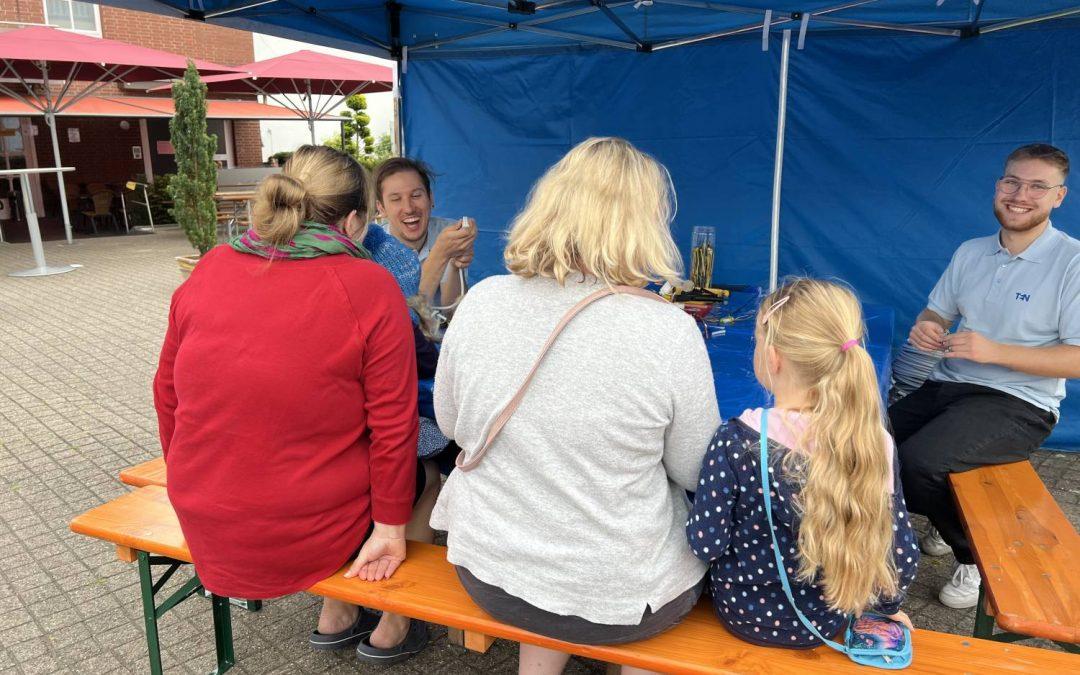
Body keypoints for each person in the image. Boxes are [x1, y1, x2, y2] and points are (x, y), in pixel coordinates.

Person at [431, 137, 719, 675]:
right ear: (643, 223)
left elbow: (451, 425)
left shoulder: (484, 298)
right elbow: (696, 469)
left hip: (491, 570)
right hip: (617, 594)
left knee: (563, 573)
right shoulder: (667, 329)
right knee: (646, 577)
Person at [153, 145, 436, 665]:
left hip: (203, 514)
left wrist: (189, 476)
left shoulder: (212, 265)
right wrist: (390, 531)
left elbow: (166, 395)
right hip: (304, 531)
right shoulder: (369, 285)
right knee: (430, 475)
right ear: (355, 222)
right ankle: (388, 617)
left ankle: (337, 613)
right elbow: (394, 428)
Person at [889, 143, 1080, 609]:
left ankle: (974, 556)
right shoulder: (971, 251)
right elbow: (937, 310)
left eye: (1038, 186)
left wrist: (996, 353)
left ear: (1059, 197)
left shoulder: (1073, 262)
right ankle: (942, 512)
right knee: (863, 445)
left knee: (919, 464)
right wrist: (928, 326)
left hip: (1019, 402)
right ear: (998, 187)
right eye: (1012, 181)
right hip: (947, 385)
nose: (1021, 194)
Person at [687, 279, 918, 647]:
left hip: (742, 613)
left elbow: (706, 544)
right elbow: (897, 554)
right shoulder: (874, 443)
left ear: (773, 358)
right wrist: (889, 607)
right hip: (829, 616)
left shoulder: (735, 441)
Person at [372, 157, 477, 311]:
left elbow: (453, 315)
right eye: (396, 199)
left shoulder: (448, 233)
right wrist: (440, 254)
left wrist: (454, 265)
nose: (408, 208)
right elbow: (404, 318)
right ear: (381, 208)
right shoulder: (371, 248)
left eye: (416, 196)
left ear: (431, 198)